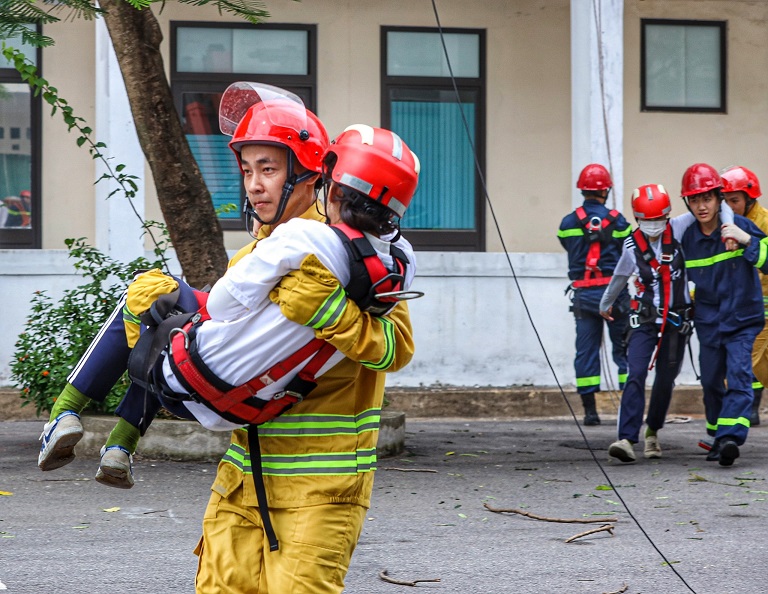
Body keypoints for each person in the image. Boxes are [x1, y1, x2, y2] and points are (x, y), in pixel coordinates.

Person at [600, 184, 704, 462]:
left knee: (665, 379)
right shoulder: (632, 245)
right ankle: (625, 438)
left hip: (675, 321)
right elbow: (620, 277)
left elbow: (709, 206)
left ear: (668, 215)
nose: (654, 226)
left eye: (659, 219)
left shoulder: (680, 228)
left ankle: (652, 432)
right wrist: (605, 303)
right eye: (647, 220)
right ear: (637, 218)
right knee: (635, 373)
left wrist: (713, 184)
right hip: (645, 320)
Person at [681, 163, 768, 466]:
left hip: (743, 319)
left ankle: (730, 437)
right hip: (708, 322)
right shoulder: (688, 239)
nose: (701, 206)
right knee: (711, 384)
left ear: (719, 198)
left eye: (707, 198)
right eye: (694, 200)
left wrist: (747, 241)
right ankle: (719, 436)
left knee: (740, 376)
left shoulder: (739, 226)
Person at [558, 164, 631, 425]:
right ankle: (629, 408)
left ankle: (590, 412)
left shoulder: (568, 222)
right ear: (606, 190)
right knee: (624, 349)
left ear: (582, 190)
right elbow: (629, 250)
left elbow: (565, 243)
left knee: (586, 351)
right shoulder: (619, 221)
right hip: (615, 295)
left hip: (585, 297)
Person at [721, 165, 768, 427]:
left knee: (744, 363)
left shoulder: (764, 223)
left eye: (735, 200)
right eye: (725, 200)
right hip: (742, 308)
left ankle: (733, 421)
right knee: (761, 366)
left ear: (750, 198)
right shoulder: (724, 223)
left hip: (761, 309)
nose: (729, 205)